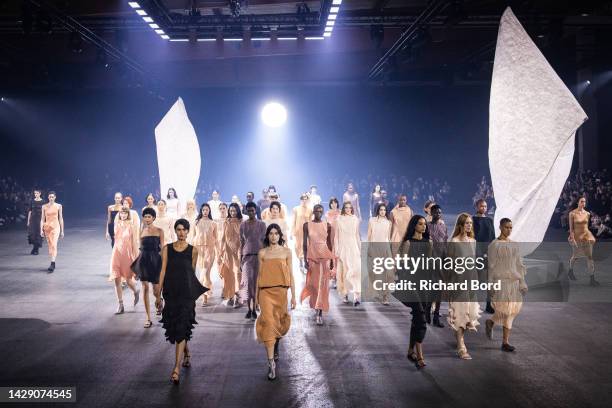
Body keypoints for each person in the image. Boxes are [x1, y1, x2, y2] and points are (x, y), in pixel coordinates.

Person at [158, 219, 208, 385]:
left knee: (182, 326)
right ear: (175, 231)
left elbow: (192, 274)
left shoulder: (193, 251)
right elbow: (163, 271)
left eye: (184, 230)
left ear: (188, 231)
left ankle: (176, 369)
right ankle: (186, 353)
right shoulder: (167, 249)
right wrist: (158, 294)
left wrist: (195, 294)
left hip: (186, 294)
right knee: (175, 327)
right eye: (178, 229)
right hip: (171, 293)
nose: (181, 232)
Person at [256, 224, 296, 381]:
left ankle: (275, 345)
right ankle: (271, 363)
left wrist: (293, 295)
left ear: (280, 235)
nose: (273, 236)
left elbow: (291, 275)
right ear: (267, 236)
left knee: (279, 323)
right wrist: (255, 297)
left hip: (281, 292)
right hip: (265, 292)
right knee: (269, 325)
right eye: (271, 233)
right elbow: (259, 276)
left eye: (276, 233)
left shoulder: (287, 252)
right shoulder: (262, 253)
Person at [485, 218, 528, 352]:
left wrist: (522, 282)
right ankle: (491, 322)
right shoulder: (494, 245)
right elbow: (491, 266)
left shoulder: (514, 244)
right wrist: (490, 285)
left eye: (510, 228)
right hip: (501, 281)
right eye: (506, 227)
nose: (508, 230)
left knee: (511, 311)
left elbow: (519, 264)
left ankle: (505, 342)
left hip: (513, 282)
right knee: (504, 310)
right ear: (500, 227)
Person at [397, 215, 431, 369]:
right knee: (421, 318)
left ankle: (410, 350)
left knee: (417, 317)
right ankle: (420, 355)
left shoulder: (429, 242)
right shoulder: (408, 243)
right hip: (411, 283)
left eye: (425, 224)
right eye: (420, 224)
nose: (423, 226)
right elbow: (402, 267)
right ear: (414, 225)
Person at [447, 213, 481, 360]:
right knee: (460, 314)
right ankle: (461, 346)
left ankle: (460, 338)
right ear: (460, 225)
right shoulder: (454, 241)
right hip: (458, 283)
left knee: (469, 314)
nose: (469, 225)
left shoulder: (473, 241)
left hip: (470, 282)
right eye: (466, 223)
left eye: (470, 223)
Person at [300, 204, 334, 325]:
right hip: (312, 257)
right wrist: (304, 260)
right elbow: (304, 244)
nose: (319, 213)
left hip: (325, 257)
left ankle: (319, 311)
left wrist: (332, 262)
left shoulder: (328, 225)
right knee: (314, 284)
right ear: (313, 212)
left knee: (323, 285)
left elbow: (330, 244)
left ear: (323, 212)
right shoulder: (307, 225)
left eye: (321, 211)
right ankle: (316, 306)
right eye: (316, 211)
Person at [131, 207, 164, 328]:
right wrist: (137, 267)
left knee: (156, 291)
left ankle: (159, 301)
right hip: (144, 261)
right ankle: (148, 318)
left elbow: (163, 248)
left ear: (154, 218)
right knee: (145, 288)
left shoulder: (160, 231)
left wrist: (164, 264)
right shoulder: (141, 232)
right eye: (145, 216)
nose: (147, 219)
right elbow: (139, 249)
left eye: (149, 216)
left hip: (155, 261)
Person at [108, 207, 140, 314]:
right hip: (116, 253)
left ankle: (136, 291)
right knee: (117, 278)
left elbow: (134, 243)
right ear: (119, 214)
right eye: (122, 213)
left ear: (128, 214)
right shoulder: (116, 224)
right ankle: (120, 304)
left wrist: (136, 259)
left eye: (125, 213)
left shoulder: (131, 226)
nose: (123, 215)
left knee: (128, 279)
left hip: (127, 255)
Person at [240, 202, 267, 320]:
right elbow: (241, 243)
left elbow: (265, 242)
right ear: (246, 211)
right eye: (248, 210)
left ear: (255, 211)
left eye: (252, 210)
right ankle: (249, 309)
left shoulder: (261, 224)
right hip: (247, 256)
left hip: (259, 256)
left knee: (256, 283)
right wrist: (240, 258)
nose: (251, 212)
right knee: (247, 283)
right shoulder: (243, 225)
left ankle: (255, 307)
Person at [335, 201, 362, 306]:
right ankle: (345, 294)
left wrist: (360, 248)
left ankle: (356, 296)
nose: (348, 209)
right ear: (343, 208)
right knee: (344, 271)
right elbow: (336, 236)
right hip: (343, 247)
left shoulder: (355, 219)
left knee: (356, 270)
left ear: (352, 209)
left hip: (353, 246)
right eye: (346, 208)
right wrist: (337, 249)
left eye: (349, 208)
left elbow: (357, 235)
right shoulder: (339, 219)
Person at [568, 196, 598, 285]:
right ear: (577, 202)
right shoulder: (572, 214)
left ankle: (592, 279)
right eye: (581, 201)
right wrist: (572, 238)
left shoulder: (587, 214)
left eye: (584, 202)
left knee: (590, 257)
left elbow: (586, 227)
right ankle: (570, 270)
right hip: (576, 237)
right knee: (575, 256)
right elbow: (571, 228)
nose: (583, 203)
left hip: (586, 236)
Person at [473, 199, 496, 314]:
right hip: (476, 252)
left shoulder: (489, 220)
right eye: (481, 206)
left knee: (489, 279)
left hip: (488, 253)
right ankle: (472, 305)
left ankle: (489, 304)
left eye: (485, 206)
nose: (484, 208)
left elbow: (492, 237)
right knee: (474, 279)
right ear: (477, 206)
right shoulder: (472, 220)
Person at [426, 204, 447, 327]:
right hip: (430, 261)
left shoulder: (443, 226)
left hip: (441, 260)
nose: (438, 214)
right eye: (436, 212)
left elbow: (445, 243)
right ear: (431, 213)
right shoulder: (427, 226)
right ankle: (428, 311)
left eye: (440, 212)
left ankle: (436, 317)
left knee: (439, 290)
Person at [367, 203, 392, 305]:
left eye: (384, 210)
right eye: (381, 209)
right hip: (374, 248)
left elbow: (388, 238)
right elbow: (369, 236)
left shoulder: (388, 222)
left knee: (386, 274)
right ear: (378, 210)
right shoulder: (372, 220)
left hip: (385, 248)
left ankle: (385, 297)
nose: (383, 211)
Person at [194, 203, 217, 306]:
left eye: (207, 210)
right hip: (199, 249)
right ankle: (207, 291)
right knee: (206, 274)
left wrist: (220, 252)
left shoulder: (213, 223)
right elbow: (193, 237)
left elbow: (216, 239)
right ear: (201, 211)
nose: (205, 212)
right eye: (203, 210)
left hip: (210, 249)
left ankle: (204, 297)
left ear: (209, 211)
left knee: (204, 272)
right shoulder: (196, 222)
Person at [220, 203, 242, 307]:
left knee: (237, 273)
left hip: (238, 249)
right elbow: (223, 238)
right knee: (229, 274)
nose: (233, 212)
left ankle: (239, 297)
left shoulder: (241, 222)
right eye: (231, 211)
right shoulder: (226, 222)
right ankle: (231, 296)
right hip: (228, 251)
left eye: (234, 210)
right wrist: (220, 251)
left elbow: (243, 237)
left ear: (238, 210)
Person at [41, 191, 64, 273]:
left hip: (56, 227)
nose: (51, 198)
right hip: (47, 227)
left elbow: (61, 218)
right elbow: (42, 219)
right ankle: (53, 261)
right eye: (50, 197)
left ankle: (52, 263)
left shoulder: (59, 206)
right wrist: (41, 229)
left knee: (54, 244)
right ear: (48, 197)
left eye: (52, 197)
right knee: (50, 246)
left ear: (55, 197)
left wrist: (62, 231)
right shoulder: (44, 206)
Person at [291, 193, 313, 271]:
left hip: (306, 231)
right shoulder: (296, 209)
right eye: (303, 199)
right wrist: (292, 231)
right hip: (298, 231)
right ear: (300, 200)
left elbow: (310, 221)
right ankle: (300, 260)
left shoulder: (310, 210)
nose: (304, 200)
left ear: (307, 200)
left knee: (306, 246)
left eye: (305, 199)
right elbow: (294, 220)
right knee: (298, 246)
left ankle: (304, 262)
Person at [326, 197, 341, 289]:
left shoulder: (341, 213)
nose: (334, 204)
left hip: (340, 237)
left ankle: (339, 277)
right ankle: (333, 278)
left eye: (335, 202)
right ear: (330, 204)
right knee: (332, 257)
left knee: (339, 256)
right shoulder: (327, 214)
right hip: (330, 237)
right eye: (332, 203)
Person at [27, 189, 44, 255]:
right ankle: (34, 248)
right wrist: (28, 221)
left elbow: (44, 212)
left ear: (40, 193)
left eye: (37, 193)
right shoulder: (32, 201)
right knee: (32, 234)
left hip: (40, 220)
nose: (36, 194)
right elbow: (30, 211)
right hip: (33, 219)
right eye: (35, 193)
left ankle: (36, 249)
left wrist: (44, 221)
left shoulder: (43, 202)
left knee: (38, 234)